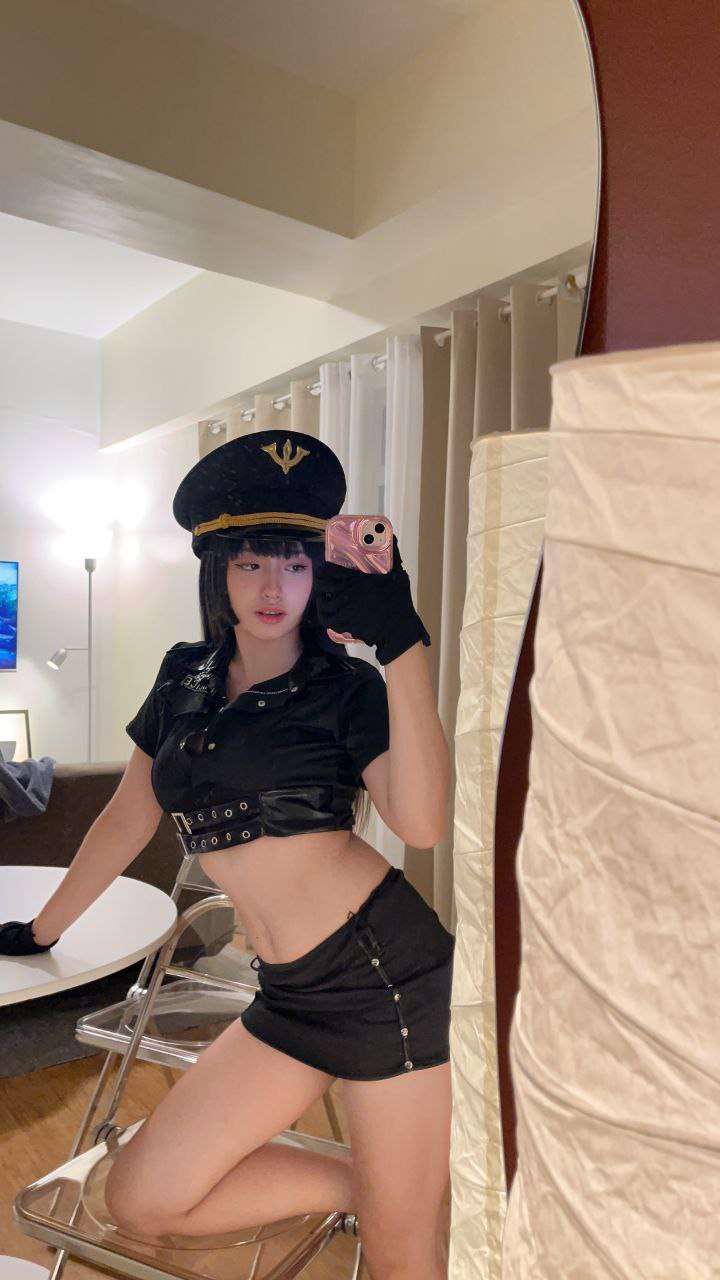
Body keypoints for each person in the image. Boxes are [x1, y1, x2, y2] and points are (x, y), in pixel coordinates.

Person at [0, 429, 455, 1280]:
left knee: (402, 1256)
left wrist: (401, 644)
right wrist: (42, 928)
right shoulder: (183, 677)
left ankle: (398, 1201)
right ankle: (379, 1187)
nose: (273, 588)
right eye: (250, 564)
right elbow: (127, 817)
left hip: (386, 981)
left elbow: (422, 824)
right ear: (217, 571)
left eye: (294, 564)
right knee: (142, 1199)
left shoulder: (347, 687)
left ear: (320, 573)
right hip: (285, 995)